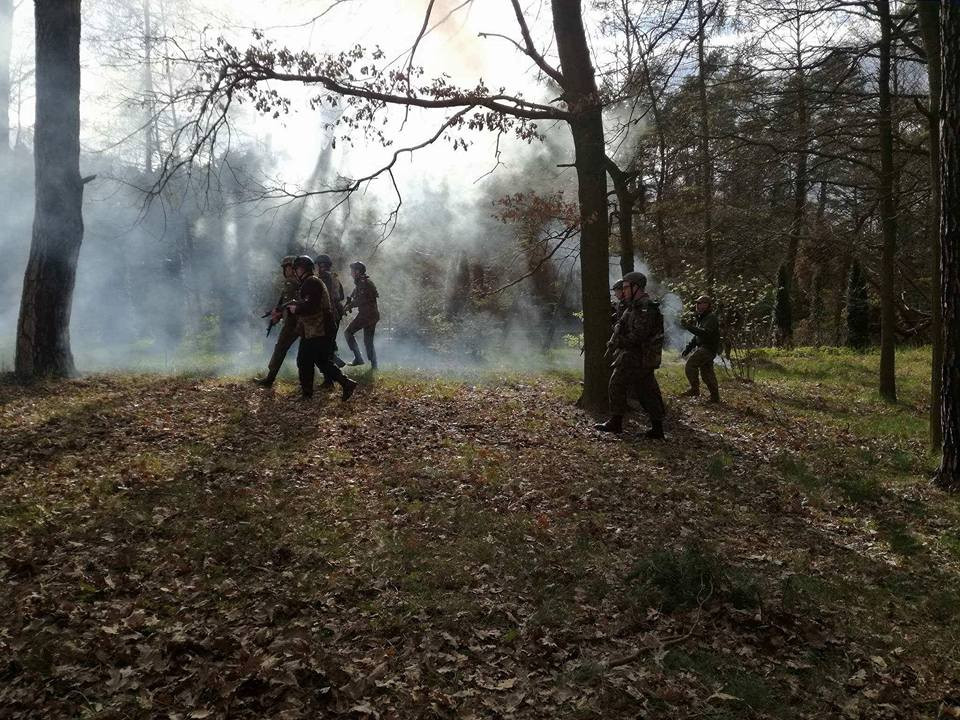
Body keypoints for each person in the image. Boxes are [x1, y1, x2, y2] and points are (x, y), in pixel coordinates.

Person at [595, 271, 666, 438]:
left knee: (617, 383)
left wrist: (619, 341)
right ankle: (657, 428)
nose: (624, 290)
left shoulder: (645, 307)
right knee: (647, 391)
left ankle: (616, 422)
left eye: (627, 287)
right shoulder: (632, 306)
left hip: (639, 355)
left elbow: (639, 335)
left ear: (637, 287)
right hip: (638, 356)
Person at [286, 255, 358, 401]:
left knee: (304, 360)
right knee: (322, 361)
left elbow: (310, 306)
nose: (296, 272)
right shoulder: (312, 281)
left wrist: (296, 309)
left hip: (317, 329)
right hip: (321, 328)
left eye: (297, 268)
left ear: (304, 269)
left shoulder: (310, 283)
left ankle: (307, 395)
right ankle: (346, 383)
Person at [254, 256, 299, 388]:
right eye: (286, 268)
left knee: (280, 348)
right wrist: (278, 313)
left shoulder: (291, 282)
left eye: (288, 267)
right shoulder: (298, 281)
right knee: (314, 348)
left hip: (292, 322)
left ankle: (269, 379)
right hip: (297, 320)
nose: (286, 270)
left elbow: (289, 303)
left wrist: (278, 311)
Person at [680, 295, 721, 402]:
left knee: (691, 365)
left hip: (708, 348)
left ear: (707, 305)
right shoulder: (702, 317)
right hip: (706, 348)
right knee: (707, 374)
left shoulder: (711, 318)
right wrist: (688, 348)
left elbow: (705, 333)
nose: (697, 305)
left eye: (700, 303)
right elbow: (697, 337)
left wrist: (688, 326)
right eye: (697, 303)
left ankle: (695, 390)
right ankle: (715, 398)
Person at [315, 253, 348, 375]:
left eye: (319, 265)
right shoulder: (335, 278)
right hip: (337, 314)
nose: (318, 268)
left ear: (322, 265)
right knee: (330, 342)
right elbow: (342, 296)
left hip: (328, 315)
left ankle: (331, 374)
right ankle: (334, 362)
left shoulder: (323, 278)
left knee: (323, 346)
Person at [344, 261, 379, 369]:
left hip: (367, 315)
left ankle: (358, 359)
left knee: (348, 332)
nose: (351, 273)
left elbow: (360, 300)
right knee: (368, 341)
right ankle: (374, 365)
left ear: (358, 271)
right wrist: (348, 304)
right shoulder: (361, 282)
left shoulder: (363, 283)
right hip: (370, 315)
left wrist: (349, 306)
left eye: (352, 271)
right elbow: (354, 296)